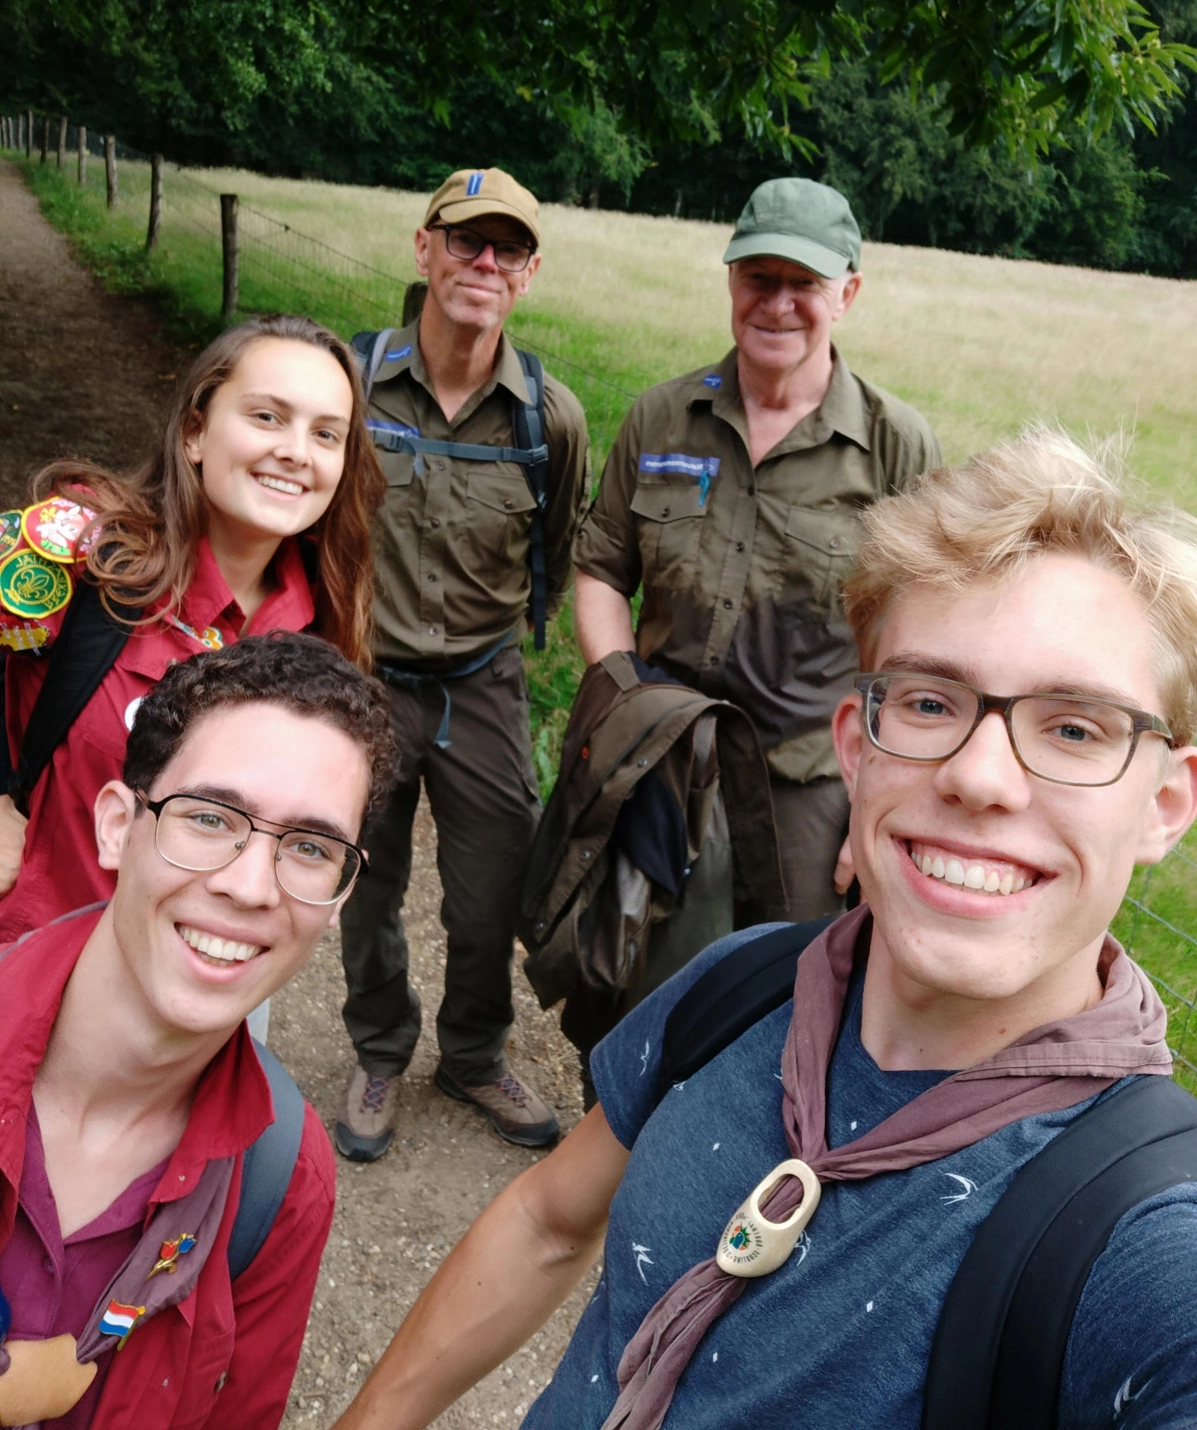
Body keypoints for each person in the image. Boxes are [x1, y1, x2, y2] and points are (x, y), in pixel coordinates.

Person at [329, 430, 1197, 1430]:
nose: (979, 776)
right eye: (926, 700)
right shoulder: (745, 984)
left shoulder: (1145, 1248)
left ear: (1168, 804)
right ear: (856, 748)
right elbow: (545, 1221)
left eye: (1075, 727)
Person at [0, 631, 397, 1430]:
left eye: (310, 847)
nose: (251, 887)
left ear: (342, 893)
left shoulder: (282, 1173)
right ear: (116, 826)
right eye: (210, 817)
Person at [573, 176, 940, 921]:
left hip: (805, 792)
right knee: (628, 980)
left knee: (784, 995)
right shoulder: (662, 417)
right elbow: (601, 570)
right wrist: (625, 710)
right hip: (658, 768)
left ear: (847, 293)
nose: (776, 304)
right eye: (757, 279)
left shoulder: (892, 446)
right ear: (732, 282)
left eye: (802, 283)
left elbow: (928, 639)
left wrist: (881, 799)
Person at [336, 167, 590, 1159]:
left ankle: (475, 1054)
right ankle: (379, 1050)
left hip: (483, 682)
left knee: (494, 894)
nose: (484, 262)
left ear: (527, 274)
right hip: (365, 676)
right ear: (425, 247)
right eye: (466, 240)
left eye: (507, 249)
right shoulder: (351, 382)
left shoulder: (547, 418)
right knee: (366, 876)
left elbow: (556, 554)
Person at [0, 313, 385, 945]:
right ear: (194, 432)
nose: (295, 450)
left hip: (205, 974)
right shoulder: (77, 554)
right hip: (29, 961)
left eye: (326, 434)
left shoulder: (323, 631)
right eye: (266, 416)